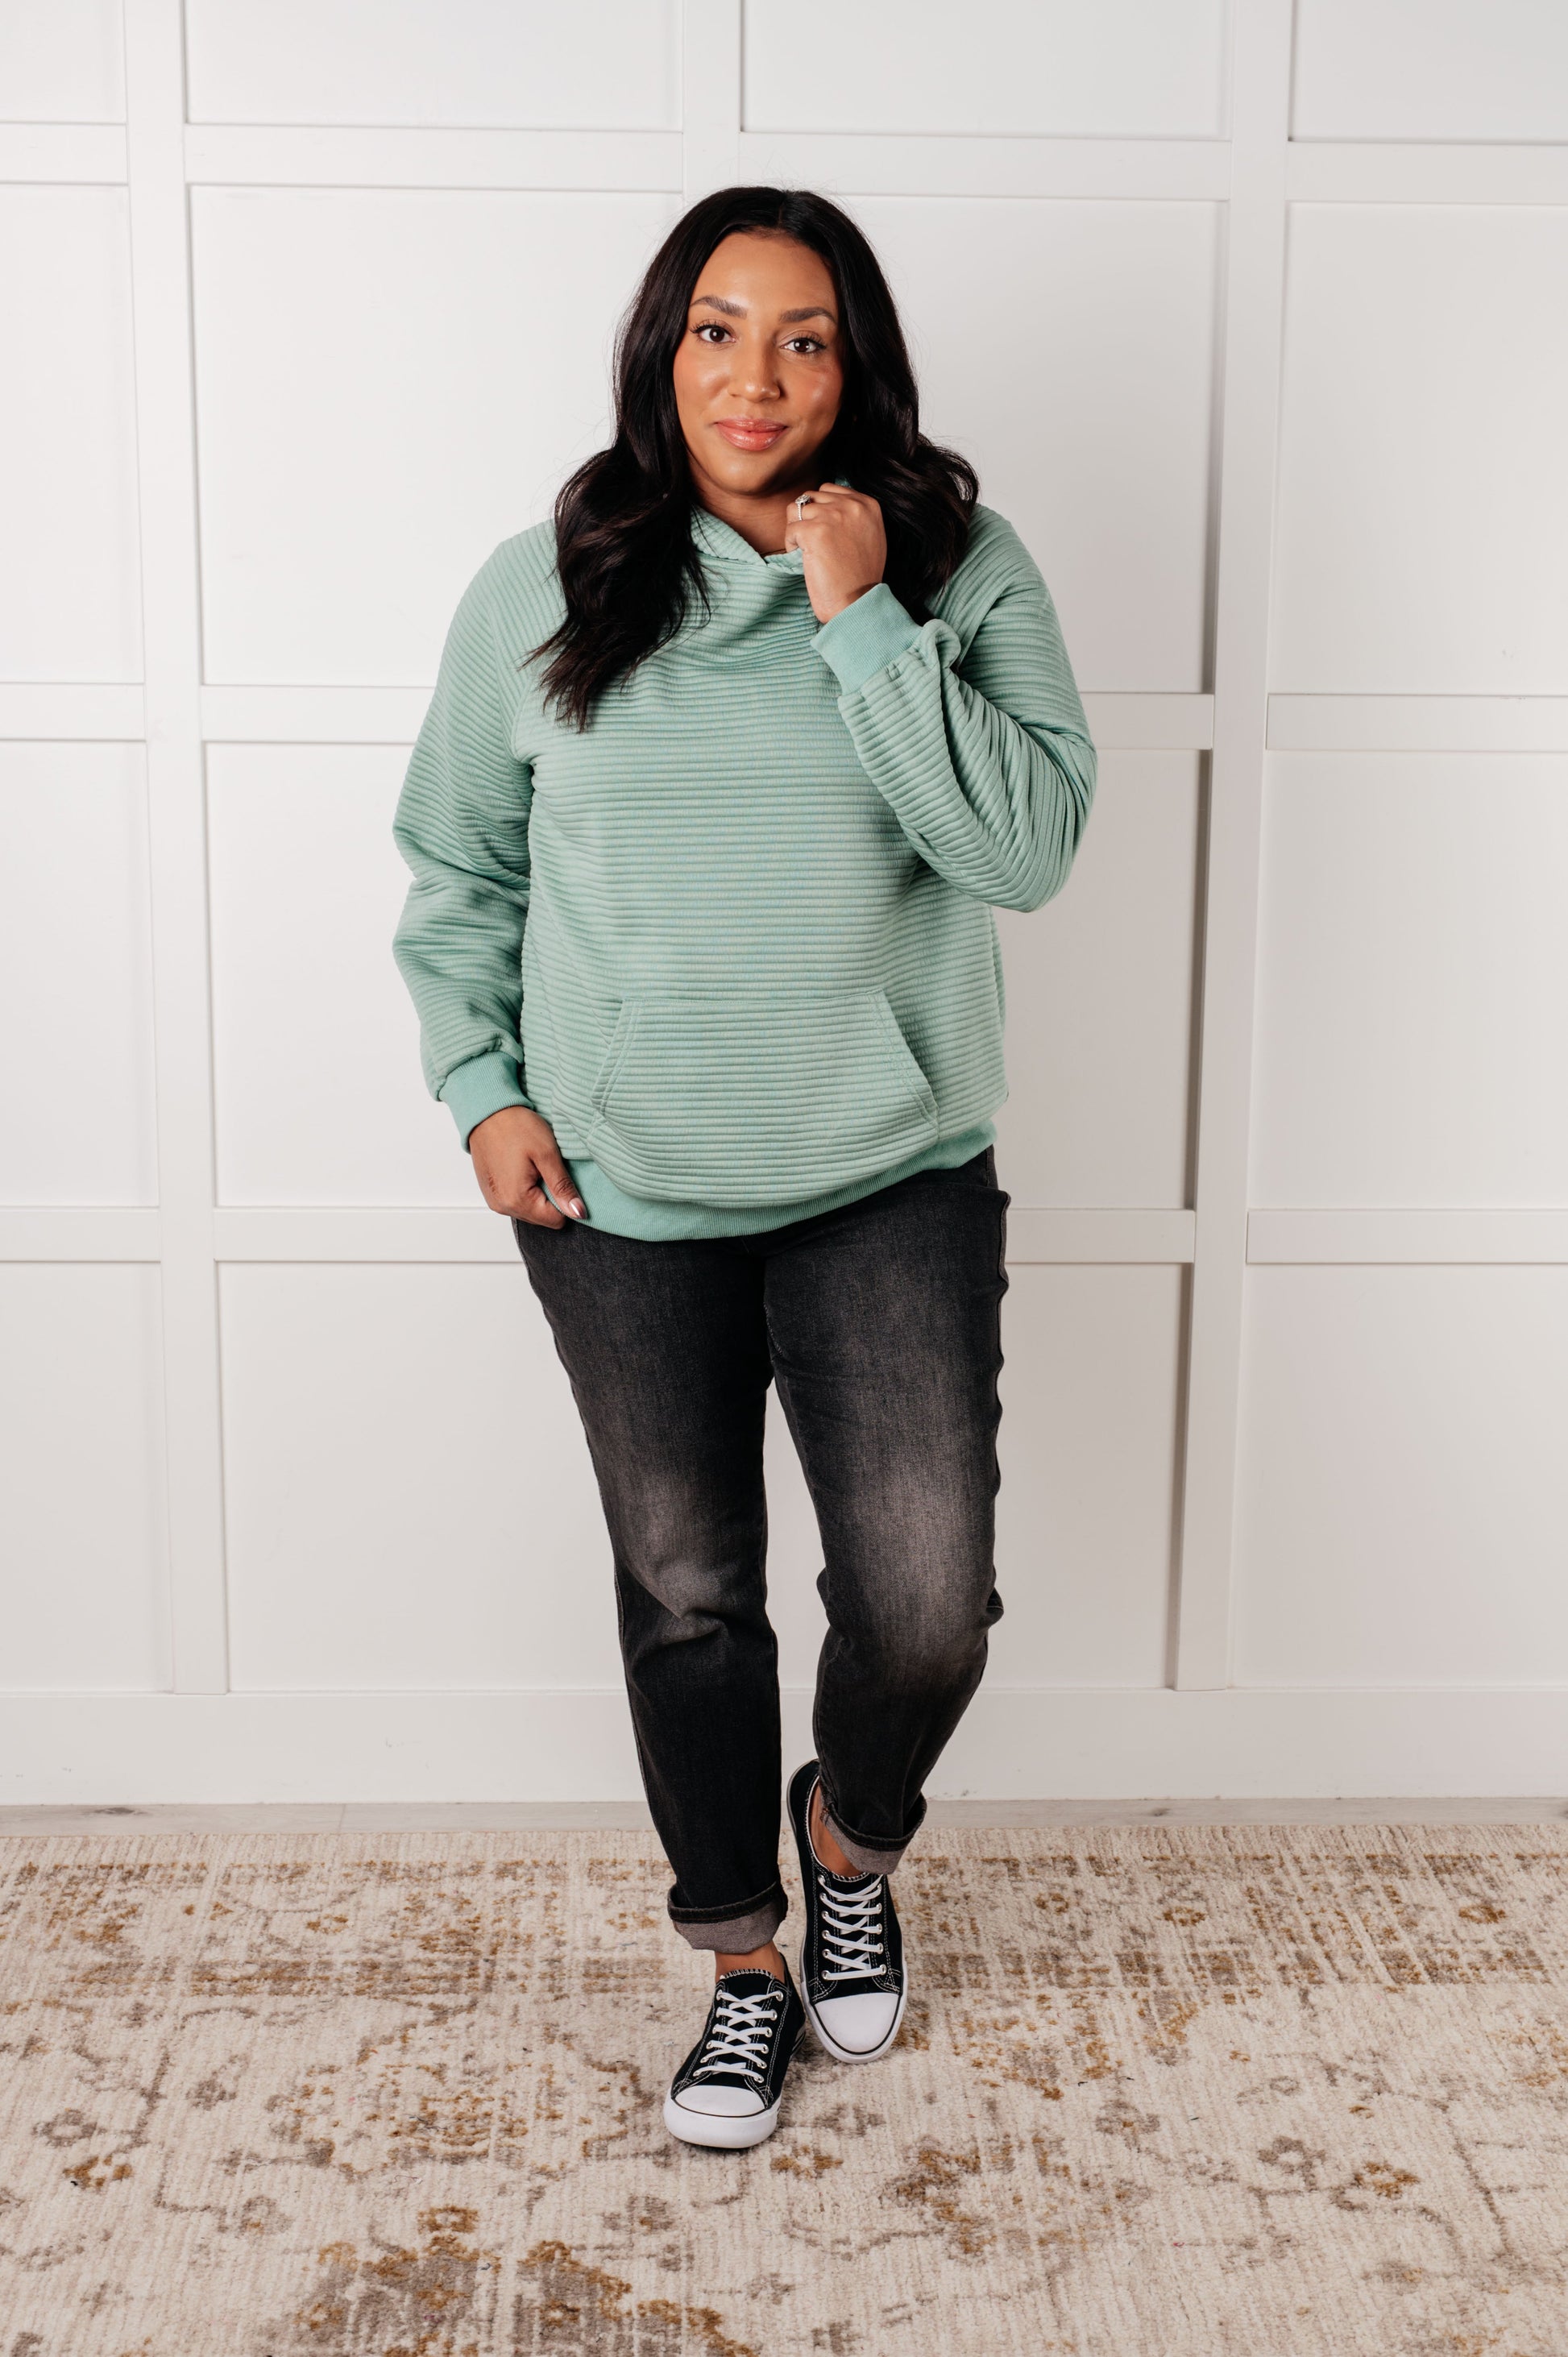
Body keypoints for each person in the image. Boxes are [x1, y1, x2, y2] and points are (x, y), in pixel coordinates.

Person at [392, 185, 1096, 2151]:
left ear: (855, 363)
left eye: (803, 336)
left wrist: (860, 615)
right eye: (717, 329)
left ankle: (847, 1837)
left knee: (926, 1605)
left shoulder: (956, 567)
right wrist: (482, 1086)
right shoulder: (543, 584)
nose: (755, 377)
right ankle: (741, 1963)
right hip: (620, 1189)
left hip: (889, 1169)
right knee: (690, 1593)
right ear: (662, 349)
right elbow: (459, 865)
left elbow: (1023, 851)